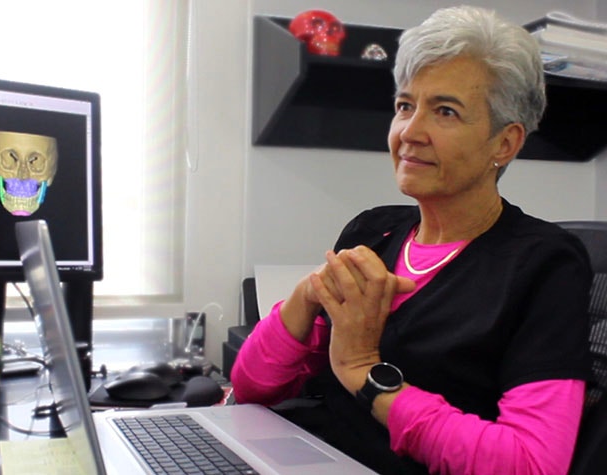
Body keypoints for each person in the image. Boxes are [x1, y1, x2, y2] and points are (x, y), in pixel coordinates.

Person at [231, 5, 593, 474]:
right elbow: (253, 387)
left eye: (444, 111)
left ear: (504, 143)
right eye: (405, 106)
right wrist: (307, 295)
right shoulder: (372, 231)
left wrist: (365, 373)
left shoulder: (545, 265)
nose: (410, 132)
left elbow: (530, 463)